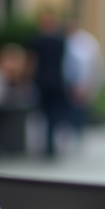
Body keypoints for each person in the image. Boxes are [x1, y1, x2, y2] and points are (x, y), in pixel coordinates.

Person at [27, 10, 69, 158]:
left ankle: (45, 144)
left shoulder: (36, 39)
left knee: (42, 115)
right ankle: (51, 145)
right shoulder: (60, 40)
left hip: (42, 81)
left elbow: (31, 62)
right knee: (54, 115)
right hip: (57, 81)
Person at [64, 20, 104, 143]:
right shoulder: (65, 40)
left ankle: (78, 131)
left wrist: (88, 84)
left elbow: (92, 64)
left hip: (82, 82)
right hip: (67, 82)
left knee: (79, 109)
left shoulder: (87, 42)